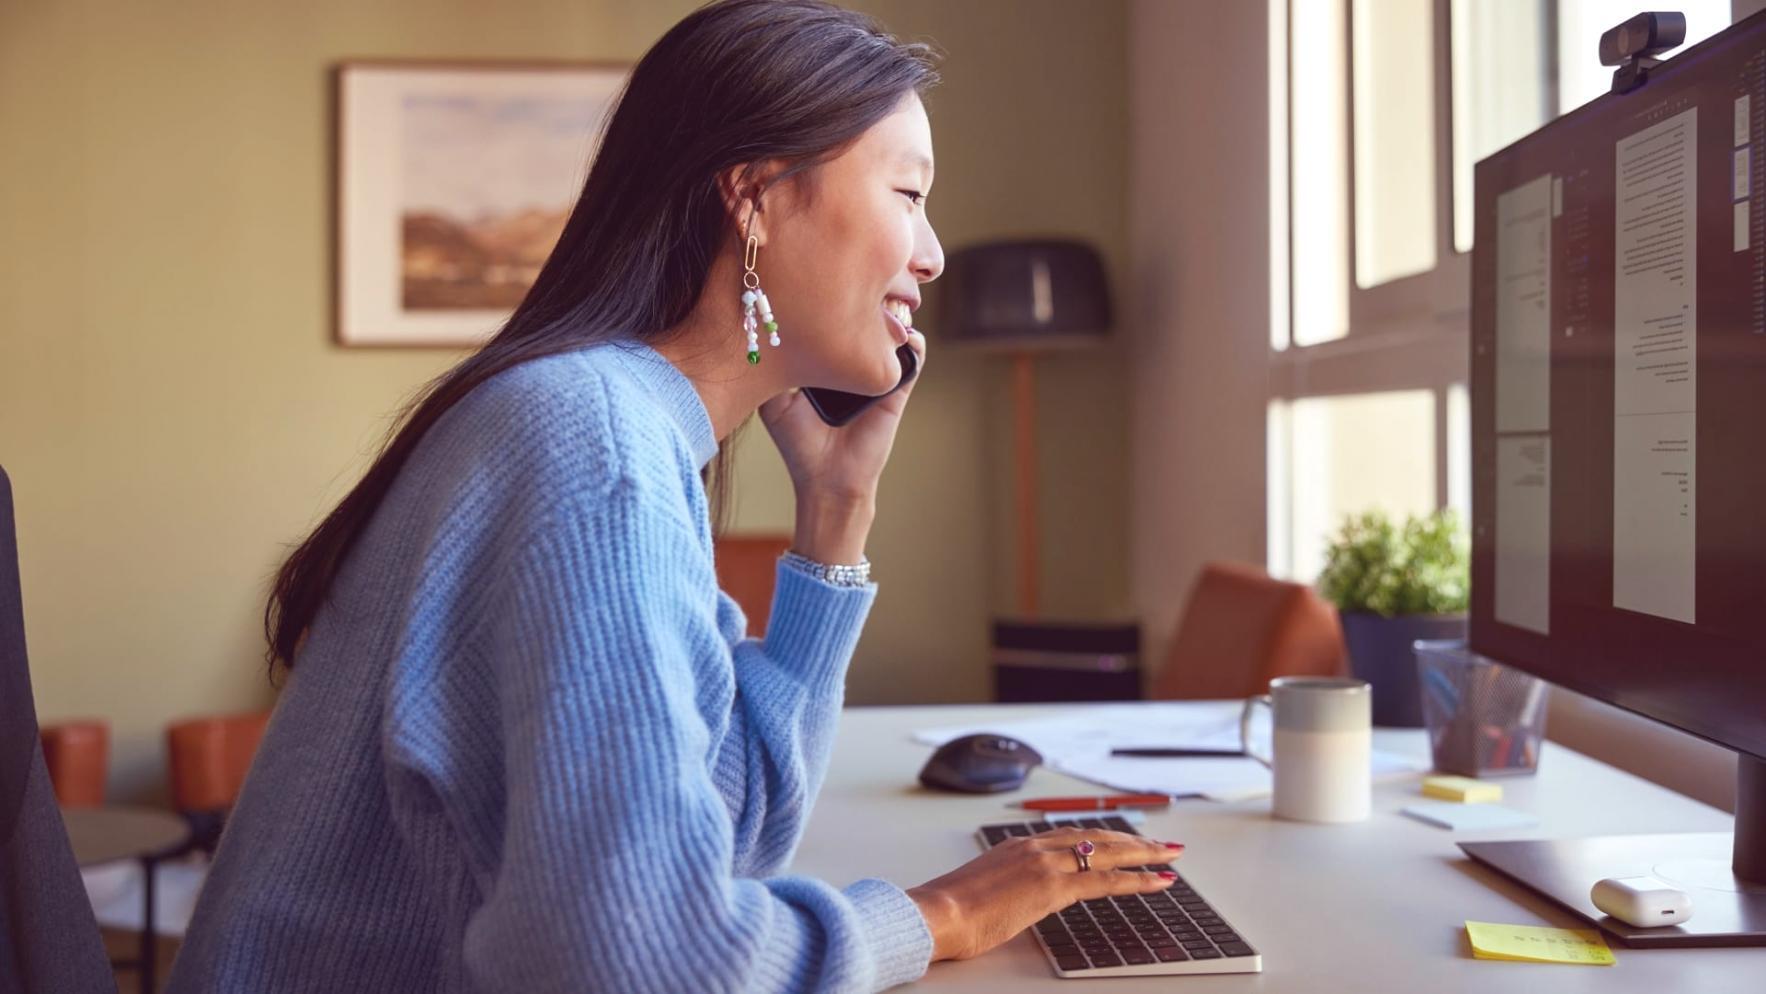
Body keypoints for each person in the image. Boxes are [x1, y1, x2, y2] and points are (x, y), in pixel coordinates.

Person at [166, 2, 1181, 991]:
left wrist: (835, 516)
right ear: (752, 194)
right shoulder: (591, 443)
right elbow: (645, 960)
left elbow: (725, 830)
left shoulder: (614, 421)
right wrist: (943, 916)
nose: (932, 253)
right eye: (907, 195)